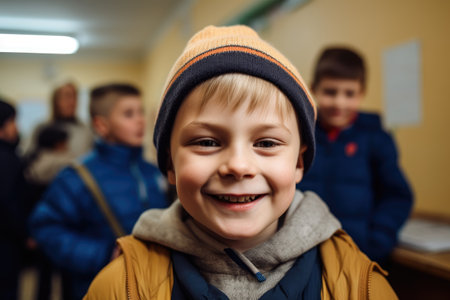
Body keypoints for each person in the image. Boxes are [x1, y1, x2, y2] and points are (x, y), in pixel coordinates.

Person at [84, 25, 398, 299]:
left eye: (266, 143)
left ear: (299, 163)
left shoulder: (360, 285)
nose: (238, 165)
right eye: (207, 142)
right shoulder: (120, 286)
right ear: (170, 164)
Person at [29, 83, 170, 299]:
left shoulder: (153, 171)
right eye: (128, 114)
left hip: (152, 285)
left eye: (140, 111)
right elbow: (46, 228)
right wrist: (103, 254)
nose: (140, 120)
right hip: (98, 285)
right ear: (101, 125)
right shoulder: (76, 176)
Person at [297, 47, 413, 263]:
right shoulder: (300, 134)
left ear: (362, 93)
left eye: (349, 94)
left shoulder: (376, 138)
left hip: (359, 254)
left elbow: (397, 196)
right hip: (303, 255)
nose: (339, 103)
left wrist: (378, 240)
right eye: (330, 92)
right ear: (314, 88)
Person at [0, 98, 26, 300]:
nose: (16, 127)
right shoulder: (9, 159)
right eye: (13, 121)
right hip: (6, 243)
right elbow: (10, 203)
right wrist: (25, 234)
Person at [25, 82, 94, 159]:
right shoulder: (41, 129)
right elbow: (28, 156)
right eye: (67, 96)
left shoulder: (86, 131)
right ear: (56, 100)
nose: (72, 102)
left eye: (75, 97)